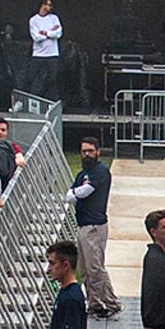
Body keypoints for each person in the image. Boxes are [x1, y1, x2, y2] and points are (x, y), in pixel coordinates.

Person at [67, 135, 120, 315]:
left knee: (95, 267)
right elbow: (70, 195)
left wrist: (75, 192)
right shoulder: (83, 174)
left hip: (95, 226)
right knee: (85, 268)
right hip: (82, 225)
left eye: (90, 151)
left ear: (98, 152)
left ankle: (112, 303)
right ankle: (94, 303)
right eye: (84, 151)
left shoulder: (101, 171)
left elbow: (84, 192)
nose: (87, 154)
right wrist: (75, 192)